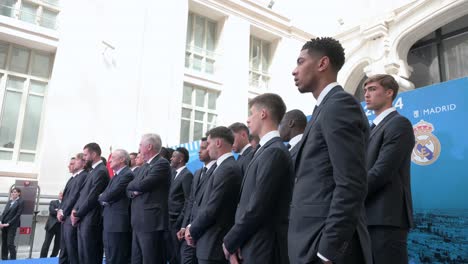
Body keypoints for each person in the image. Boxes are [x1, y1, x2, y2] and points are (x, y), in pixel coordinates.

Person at [289, 37, 372, 264]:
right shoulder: (322, 110)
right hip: (309, 242)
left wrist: (328, 250)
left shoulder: (339, 105)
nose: (294, 71)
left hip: (326, 248)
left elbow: (351, 183)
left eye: (300, 62)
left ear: (322, 63)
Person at [223, 93, 293, 264]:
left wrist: (231, 240)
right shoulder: (263, 150)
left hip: (264, 248)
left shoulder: (274, 152)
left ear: (263, 114)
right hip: (251, 243)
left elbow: (258, 205)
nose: (248, 120)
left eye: (251, 113)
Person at [363, 74, 415, 264]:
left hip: (386, 218)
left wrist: (349, 193)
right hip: (368, 216)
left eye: (372, 89)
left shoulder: (398, 124)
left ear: (389, 93)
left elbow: (381, 172)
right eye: (365, 91)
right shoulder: (371, 129)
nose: (366, 95)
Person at [185, 126, 242, 264]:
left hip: (214, 244)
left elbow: (212, 209)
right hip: (207, 241)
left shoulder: (227, 169)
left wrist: (192, 230)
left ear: (218, 143)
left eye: (208, 144)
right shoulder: (220, 167)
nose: (207, 148)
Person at [127, 133, 171, 264]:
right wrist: (134, 190)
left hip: (151, 222)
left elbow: (142, 184)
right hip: (138, 221)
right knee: (137, 259)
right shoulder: (144, 166)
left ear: (149, 146)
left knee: (150, 260)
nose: (139, 148)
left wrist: (135, 187)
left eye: (141, 145)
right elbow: (129, 187)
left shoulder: (162, 163)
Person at [179, 137, 216, 264]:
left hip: (204, 231)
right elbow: (191, 201)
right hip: (190, 230)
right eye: (199, 148)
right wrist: (184, 226)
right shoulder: (198, 172)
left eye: (204, 148)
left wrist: (192, 227)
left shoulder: (217, 171)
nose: (200, 151)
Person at [71, 143, 110, 264]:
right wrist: (75, 210)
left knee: (90, 255)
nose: (84, 158)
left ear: (94, 154)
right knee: (82, 254)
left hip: (92, 219)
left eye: (86, 155)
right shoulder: (92, 171)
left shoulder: (101, 171)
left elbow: (92, 197)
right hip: (84, 218)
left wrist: (78, 214)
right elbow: (83, 194)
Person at [99, 149, 135, 264]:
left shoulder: (127, 174)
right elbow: (102, 196)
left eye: (113, 157)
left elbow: (109, 195)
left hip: (118, 224)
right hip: (110, 222)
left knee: (117, 258)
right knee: (110, 257)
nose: (109, 160)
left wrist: (104, 197)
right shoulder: (115, 176)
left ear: (122, 159)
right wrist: (104, 197)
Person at [58, 154, 88, 264]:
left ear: (83, 163)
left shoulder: (83, 176)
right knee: (64, 248)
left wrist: (63, 211)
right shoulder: (73, 178)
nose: (70, 165)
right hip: (65, 217)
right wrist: (60, 210)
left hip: (71, 217)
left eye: (74, 162)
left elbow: (74, 196)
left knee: (72, 249)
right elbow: (66, 198)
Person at [167, 147, 194, 264]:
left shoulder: (187, 175)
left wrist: (180, 222)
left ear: (181, 159)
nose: (171, 158)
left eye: (173, 156)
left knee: (177, 255)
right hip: (169, 219)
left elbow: (188, 201)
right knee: (171, 254)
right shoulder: (173, 173)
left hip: (177, 221)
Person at [0, 187, 24, 260]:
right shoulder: (9, 201)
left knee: (10, 243)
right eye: (13, 192)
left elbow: (18, 215)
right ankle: (4, 259)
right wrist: (0, 221)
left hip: (12, 225)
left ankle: (13, 260)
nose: (14, 193)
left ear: (19, 193)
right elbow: (4, 212)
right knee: (4, 243)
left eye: (15, 192)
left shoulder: (21, 201)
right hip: (3, 224)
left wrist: (9, 223)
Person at [40, 191, 63, 258]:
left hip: (60, 226)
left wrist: (57, 210)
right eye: (60, 193)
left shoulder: (66, 203)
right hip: (51, 226)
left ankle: (53, 257)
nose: (61, 195)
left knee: (57, 244)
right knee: (46, 243)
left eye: (63, 194)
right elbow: (52, 211)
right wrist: (60, 211)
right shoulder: (53, 202)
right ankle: (42, 258)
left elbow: (66, 212)